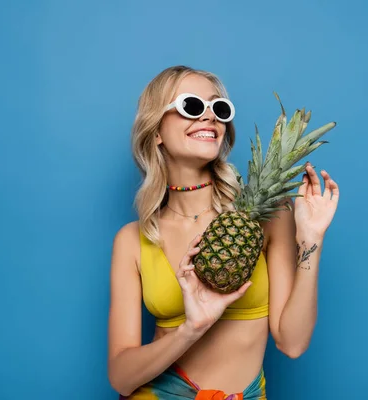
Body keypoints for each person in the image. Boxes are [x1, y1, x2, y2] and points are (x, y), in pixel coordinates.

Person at [107, 65, 339, 399]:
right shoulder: (133, 239)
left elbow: (291, 342)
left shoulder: (264, 219)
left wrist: (312, 239)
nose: (209, 118)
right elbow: (121, 377)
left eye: (219, 108)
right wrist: (191, 329)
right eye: (191, 106)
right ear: (156, 129)